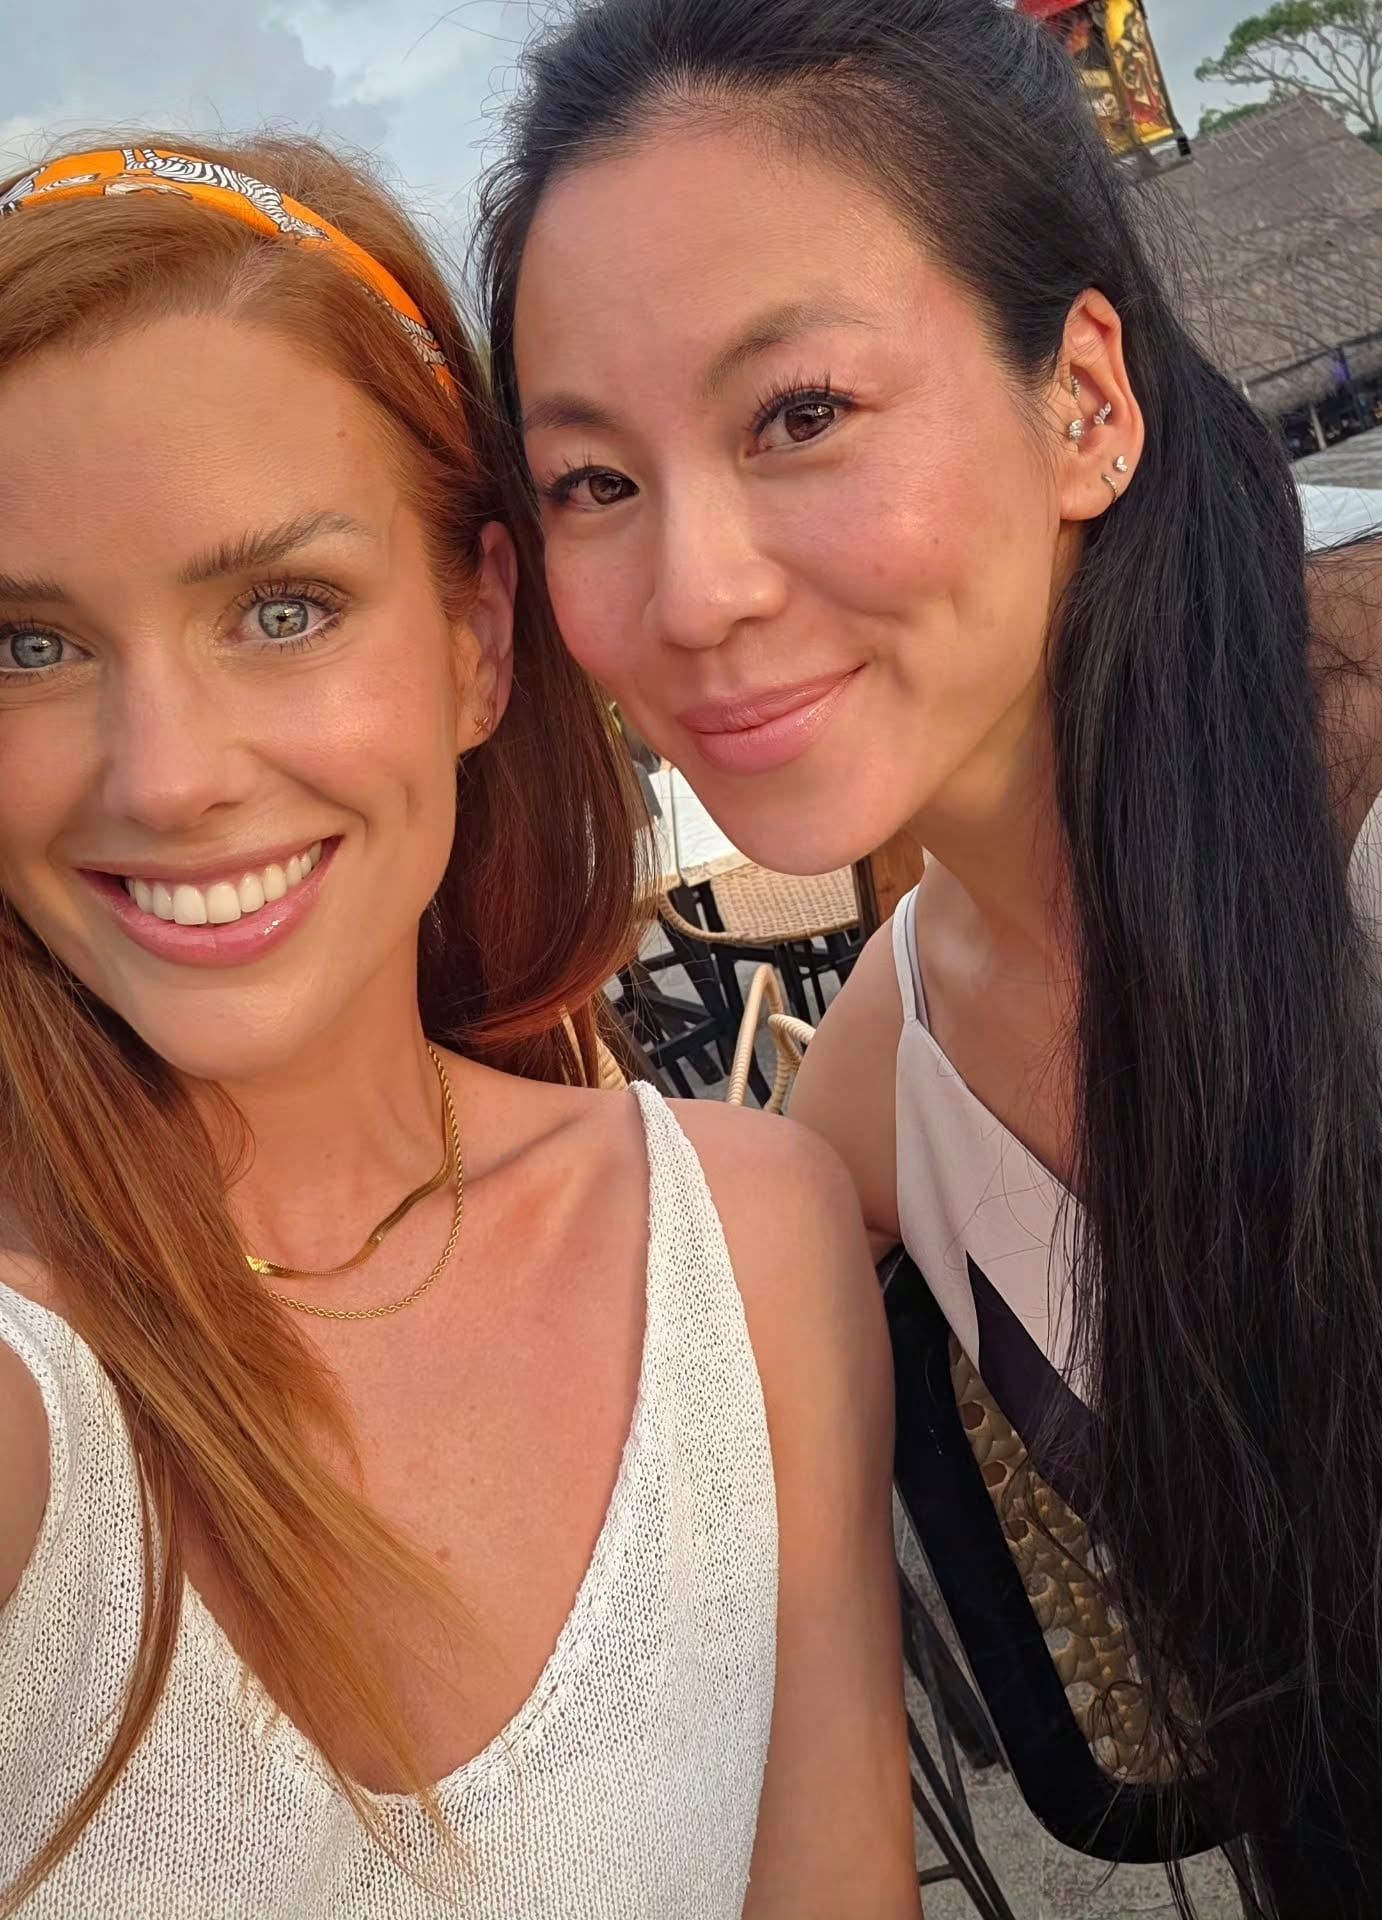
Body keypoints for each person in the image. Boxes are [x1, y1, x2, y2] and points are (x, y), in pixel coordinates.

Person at [477, 0, 1382, 1911]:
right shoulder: (877, 1090)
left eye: (801, 414)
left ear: (1083, 398)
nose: (692, 591)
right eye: (593, 481)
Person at [0, 137, 919, 1919]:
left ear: (480, 638)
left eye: (282, 610)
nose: (166, 776)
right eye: (27, 648)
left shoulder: (745, 1241)